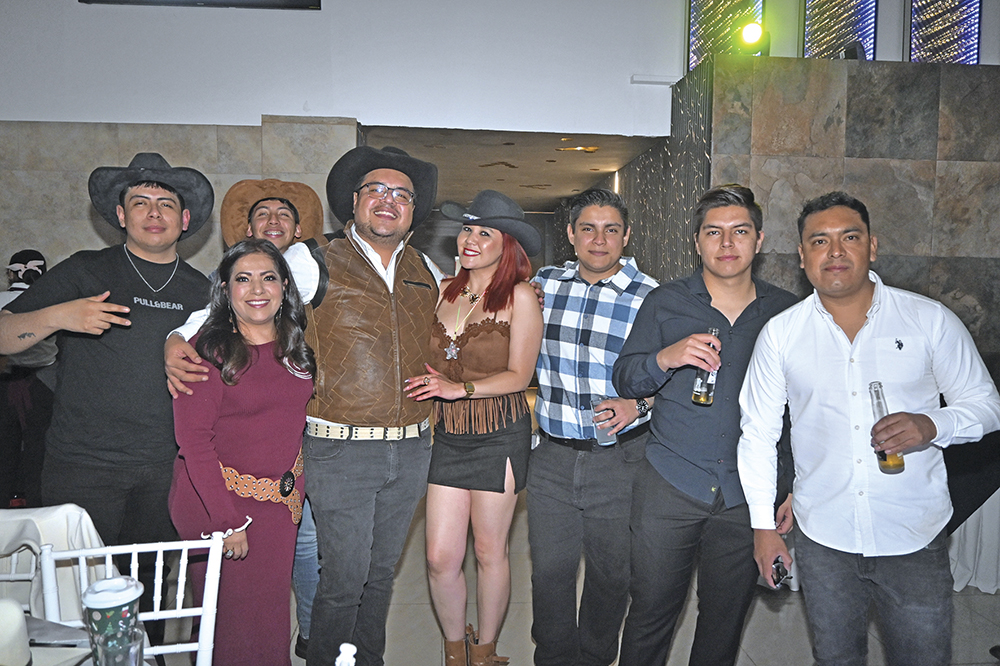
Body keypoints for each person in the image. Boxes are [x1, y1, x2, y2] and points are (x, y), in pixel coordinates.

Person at [166, 146, 444, 666]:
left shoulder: (425, 268)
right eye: (376, 190)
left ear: (413, 210)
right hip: (340, 449)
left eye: (402, 195)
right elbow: (243, 299)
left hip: (410, 449)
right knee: (343, 578)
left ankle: (367, 660)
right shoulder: (310, 259)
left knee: (381, 575)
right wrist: (176, 338)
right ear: (354, 202)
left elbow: (459, 321)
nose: (388, 200)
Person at [737, 191, 1000, 666]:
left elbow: (987, 406)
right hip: (824, 536)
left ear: (872, 247)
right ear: (802, 256)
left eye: (850, 237)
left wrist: (932, 424)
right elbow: (757, 434)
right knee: (835, 658)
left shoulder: (929, 320)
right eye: (819, 241)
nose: (835, 251)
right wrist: (762, 528)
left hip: (914, 534)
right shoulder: (782, 334)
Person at [0, 155, 212, 640]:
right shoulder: (85, 270)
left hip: (165, 469)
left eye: (165, 204)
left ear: (184, 220)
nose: (153, 212)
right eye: (140, 202)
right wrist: (60, 315)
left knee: (149, 594)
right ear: (120, 215)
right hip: (82, 466)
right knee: (76, 599)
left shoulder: (202, 290)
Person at [612, 184, 798, 666]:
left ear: (759, 240)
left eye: (740, 231)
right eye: (713, 232)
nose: (727, 243)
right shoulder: (665, 301)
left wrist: (791, 486)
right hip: (671, 483)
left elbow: (800, 411)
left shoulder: (786, 313)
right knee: (650, 613)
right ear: (696, 241)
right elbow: (625, 377)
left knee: (724, 620)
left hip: (746, 493)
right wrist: (665, 357)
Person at [404, 190, 543, 666]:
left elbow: (520, 376)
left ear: (507, 245)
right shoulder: (441, 289)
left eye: (486, 233)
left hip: (498, 434)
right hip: (446, 435)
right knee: (439, 557)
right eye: (467, 229)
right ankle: (453, 651)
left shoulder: (520, 297)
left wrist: (458, 389)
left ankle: (483, 652)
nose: (470, 239)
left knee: (488, 550)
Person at [526, 188, 658, 666]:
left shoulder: (653, 298)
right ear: (570, 234)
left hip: (620, 461)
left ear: (626, 235)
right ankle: (553, 658)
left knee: (611, 575)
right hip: (551, 458)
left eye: (610, 230)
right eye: (588, 228)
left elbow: (678, 375)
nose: (599, 240)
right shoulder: (543, 286)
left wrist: (640, 404)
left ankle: (597, 657)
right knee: (549, 573)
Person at [169, 238, 315, 666]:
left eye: (268, 277)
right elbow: (193, 442)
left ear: (285, 286)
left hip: (279, 507)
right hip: (219, 505)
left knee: (269, 619)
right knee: (228, 625)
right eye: (243, 279)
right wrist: (227, 521)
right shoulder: (206, 352)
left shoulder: (296, 346)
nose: (257, 289)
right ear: (225, 289)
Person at [218, 178, 325, 658]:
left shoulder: (315, 282)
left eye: (284, 214)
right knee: (240, 600)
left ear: (299, 231)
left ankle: (312, 638)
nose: (273, 221)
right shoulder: (222, 311)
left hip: (301, 457)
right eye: (263, 214)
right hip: (236, 478)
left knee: (307, 552)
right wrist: (175, 341)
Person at [0, 250, 56, 507]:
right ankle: (37, 510)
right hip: (42, 384)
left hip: (4, 383)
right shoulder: (53, 302)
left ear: (11, 274)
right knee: (38, 451)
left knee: (4, 450)